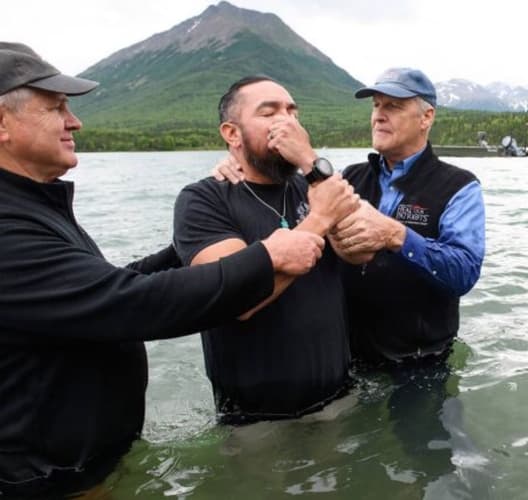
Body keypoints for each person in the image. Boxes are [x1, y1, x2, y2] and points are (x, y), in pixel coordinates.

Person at [0, 44, 326, 497]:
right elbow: (130, 303)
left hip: (79, 465)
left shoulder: (31, 206)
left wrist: (190, 244)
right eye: (56, 108)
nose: (75, 122)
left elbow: (103, 285)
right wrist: (269, 256)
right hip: (44, 480)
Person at [213, 67, 486, 365]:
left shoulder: (459, 186)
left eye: (393, 106)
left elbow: (464, 273)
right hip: (347, 356)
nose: (379, 115)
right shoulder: (349, 178)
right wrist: (240, 162)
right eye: (376, 105)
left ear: (426, 117)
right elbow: (287, 195)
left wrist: (396, 236)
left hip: (420, 361)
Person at [172, 75, 360, 424]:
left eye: (292, 112)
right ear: (232, 133)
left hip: (337, 397)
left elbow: (362, 249)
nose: (286, 122)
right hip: (255, 417)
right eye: (269, 112)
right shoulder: (202, 200)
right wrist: (319, 219)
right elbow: (232, 298)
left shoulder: (313, 186)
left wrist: (309, 160)